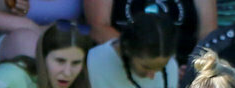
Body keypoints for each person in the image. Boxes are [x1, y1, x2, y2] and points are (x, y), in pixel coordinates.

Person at [84, 0, 216, 64]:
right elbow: (98, 27)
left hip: (183, 63)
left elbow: (208, 33)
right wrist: (151, 60)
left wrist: (193, 67)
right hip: (124, 59)